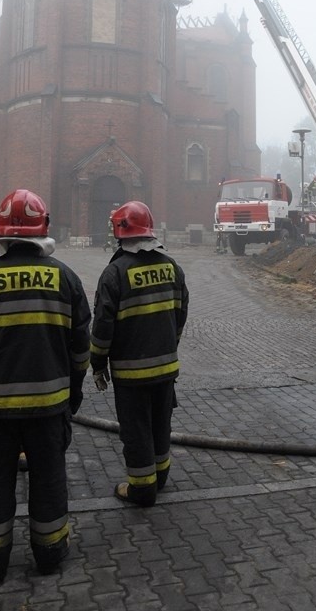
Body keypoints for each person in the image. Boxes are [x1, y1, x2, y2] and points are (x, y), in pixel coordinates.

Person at [0, 189, 91, 582]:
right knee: (49, 476)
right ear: (42, 227)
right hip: (50, 405)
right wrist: (75, 390)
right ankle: (50, 552)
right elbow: (81, 346)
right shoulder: (65, 278)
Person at [90, 200, 189, 507]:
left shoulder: (115, 273)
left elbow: (103, 325)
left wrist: (97, 362)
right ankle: (160, 476)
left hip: (131, 373)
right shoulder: (172, 267)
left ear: (119, 232)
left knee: (136, 429)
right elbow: (180, 313)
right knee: (161, 423)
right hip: (165, 367)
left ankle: (142, 488)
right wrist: (168, 344)